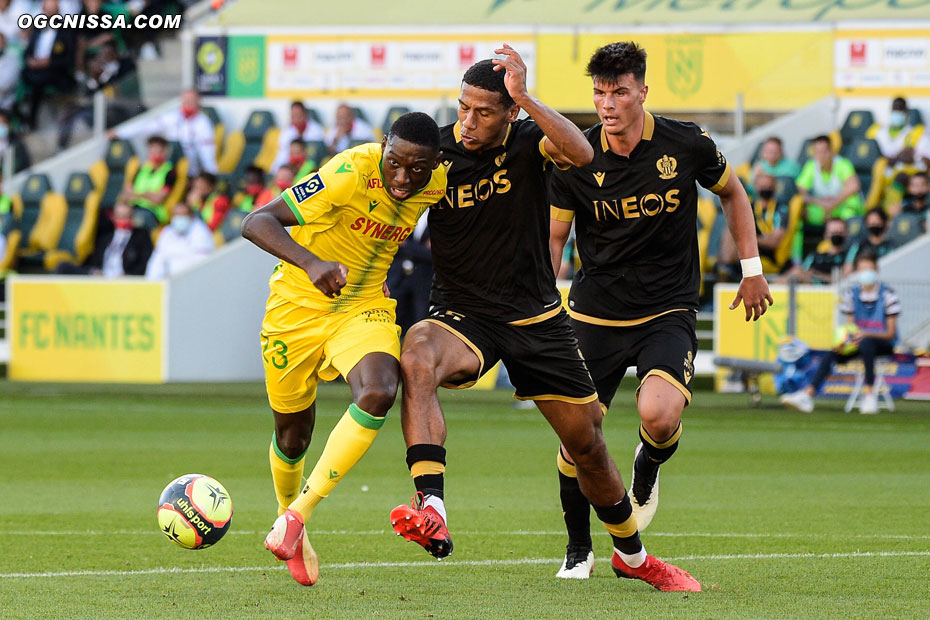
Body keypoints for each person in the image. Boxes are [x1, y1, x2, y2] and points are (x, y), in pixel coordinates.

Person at [388, 47, 701, 592]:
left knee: (587, 447)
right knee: (416, 352)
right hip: (464, 314)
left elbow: (581, 151)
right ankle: (432, 503)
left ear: (510, 112)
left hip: (536, 317)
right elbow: (383, 195)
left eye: (484, 112)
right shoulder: (435, 150)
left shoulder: (532, 140)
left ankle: (632, 555)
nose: (467, 121)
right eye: (463, 108)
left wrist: (526, 97)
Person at [548, 41, 772, 580]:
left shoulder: (686, 142)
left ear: (642, 92)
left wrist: (751, 269)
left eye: (619, 91)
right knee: (577, 438)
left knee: (659, 413)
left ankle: (646, 469)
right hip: (595, 314)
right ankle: (579, 547)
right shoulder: (571, 156)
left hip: (667, 308)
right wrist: (541, 306)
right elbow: (553, 238)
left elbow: (734, 194)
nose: (607, 103)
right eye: (599, 92)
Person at [242, 112, 447, 587]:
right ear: (382, 147)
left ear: (435, 163)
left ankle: (297, 517)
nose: (402, 178)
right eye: (394, 163)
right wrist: (312, 262)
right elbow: (257, 222)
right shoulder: (348, 172)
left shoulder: (440, 179)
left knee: (379, 390)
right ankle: (288, 519)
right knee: (293, 435)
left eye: (417, 169)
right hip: (295, 307)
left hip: (364, 306)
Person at [781, 250, 900, 414]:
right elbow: (850, 328)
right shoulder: (852, 295)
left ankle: (870, 395)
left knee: (867, 343)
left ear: (877, 271)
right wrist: (843, 343)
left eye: (869, 270)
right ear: (857, 272)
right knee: (832, 353)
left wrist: (866, 334)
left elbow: (891, 334)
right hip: (859, 343)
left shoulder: (888, 296)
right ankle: (807, 394)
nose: (866, 274)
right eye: (863, 270)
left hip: (882, 344)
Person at [110, 89, 218, 176]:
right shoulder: (173, 116)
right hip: (167, 165)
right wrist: (120, 132)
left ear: (198, 102)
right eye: (186, 101)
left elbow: (207, 153)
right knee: (157, 147)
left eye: (191, 101)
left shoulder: (203, 122)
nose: (188, 104)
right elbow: (146, 127)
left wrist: (212, 175)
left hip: (189, 169)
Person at [796, 134, 863, 255]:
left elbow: (854, 186)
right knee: (798, 211)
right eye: (817, 152)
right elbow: (801, 190)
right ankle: (797, 257)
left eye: (824, 152)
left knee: (852, 207)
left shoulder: (842, 164)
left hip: (840, 206)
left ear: (831, 151)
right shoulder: (811, 165)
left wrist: (832, 204)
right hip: (822, 208)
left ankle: (850, 252)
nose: (821, 156)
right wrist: (821, 203)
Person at [718, 171, 790, 277]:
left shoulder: (781, 209)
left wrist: (747, 238)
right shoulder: (748, 207)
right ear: (755, 187)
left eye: (769, 186)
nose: (766, 188)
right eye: (763, 186)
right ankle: (726, 267)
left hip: (767, 255)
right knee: (729, 230)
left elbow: (773, 242)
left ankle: (727, 268)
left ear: (775, 188)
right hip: (746, 250)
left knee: (734, 235)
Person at [20, 0, 77, 128]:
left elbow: (69, 59)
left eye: (53, 11)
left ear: (59, 11)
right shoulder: (37, 28)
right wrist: (31, 60)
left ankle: (31, 119)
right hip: (34, 70)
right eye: (47, 11)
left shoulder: (67, 30)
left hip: (54, 70)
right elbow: (28, 51)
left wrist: (48, 62)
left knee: (39, 81)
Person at [57, 200, 153, 276]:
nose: (122, 220)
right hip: (102, 276)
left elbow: (145, 262)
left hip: (123, 278)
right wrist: (94, 271)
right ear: (113, 217)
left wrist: (128, 275)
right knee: (63, 266)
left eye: (126, 216)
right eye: (119, 216)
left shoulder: (141, 236)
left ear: (132, 218)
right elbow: (94, 260)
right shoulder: (106, 237)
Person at [385, 215, 431, 334]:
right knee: (390, 322)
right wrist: (420, 249)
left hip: (424, 282)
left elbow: (433, 253)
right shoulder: (404, 214)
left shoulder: (437, 219)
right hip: (398, 279)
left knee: (421, 325)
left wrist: (405, 245)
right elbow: (391, 243)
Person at [144, 201, 214, 279]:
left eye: (183, 215)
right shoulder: (167, 232)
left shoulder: (200, 231)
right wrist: (152, 282)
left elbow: (202, 262)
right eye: (177, 215)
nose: (180, 219)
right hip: (170, 281)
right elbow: (157, 260)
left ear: (191, 216)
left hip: (193, 279)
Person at [122, 135, 176, 225]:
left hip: (152, 212)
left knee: (135, 219)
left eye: (159, 150)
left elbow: (158, 199)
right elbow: (126, 192)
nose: (155, 153)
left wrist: (137, 193)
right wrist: (147, 194)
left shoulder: (169, 172)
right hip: (133, 208)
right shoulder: (142, 168)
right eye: (152, 150)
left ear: (165, 152)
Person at [782, 217, 848, 284]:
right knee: (795, 272)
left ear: (846, 234)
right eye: (833, 233)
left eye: (840, 232)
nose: (837, 236)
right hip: (814, 292)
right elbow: (802, 272)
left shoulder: (849, 256)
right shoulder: (814, 256)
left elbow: (846, 278)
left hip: (838, 291)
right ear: (826, 234)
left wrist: (817, 275)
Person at [271, 101, 325, 173]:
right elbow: (282, 155)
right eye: (294, 116)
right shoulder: (286, 132)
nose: (297, 118)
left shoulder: (317, 130)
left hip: (313, 167)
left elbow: (321, 153)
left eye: (299, 115)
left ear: (305, 114)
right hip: (292, 168)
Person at [843, 207, 896, 275]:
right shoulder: (858, 246)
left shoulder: (891, 246)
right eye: (871, 222)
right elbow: (847, 270)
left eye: (877, 221)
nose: (874, 225)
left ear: (884, 223)